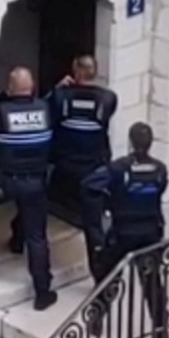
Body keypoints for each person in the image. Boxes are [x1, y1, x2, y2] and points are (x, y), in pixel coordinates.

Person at [80, 122, 169, 338]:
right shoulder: (160, 169)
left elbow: (89, 185)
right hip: (150, 232)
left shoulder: (118, 169)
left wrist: (106, 203)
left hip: (122, 231)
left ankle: (97, 318)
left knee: (109, 275)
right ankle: (161, 329)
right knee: (152, 282)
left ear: (130, 143)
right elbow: (160, 190)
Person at [0, 67, 57, 311]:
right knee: (37, 237)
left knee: (10, 212)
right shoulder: (44, 108)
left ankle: (14, 243)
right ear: (32, 86)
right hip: (36, 181)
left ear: (10, 87)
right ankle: (42, 292)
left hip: (6, 182)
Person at [48, 55, 118, 281]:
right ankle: (100, 275)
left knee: (36, 203)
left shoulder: (60, 96)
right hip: (93, 170)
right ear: (95, 73)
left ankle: (19, 241)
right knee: (93, 226)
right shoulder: (108, 98)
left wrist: (58, 88)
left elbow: (45, 111)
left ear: (75, 72)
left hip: (64, 165)